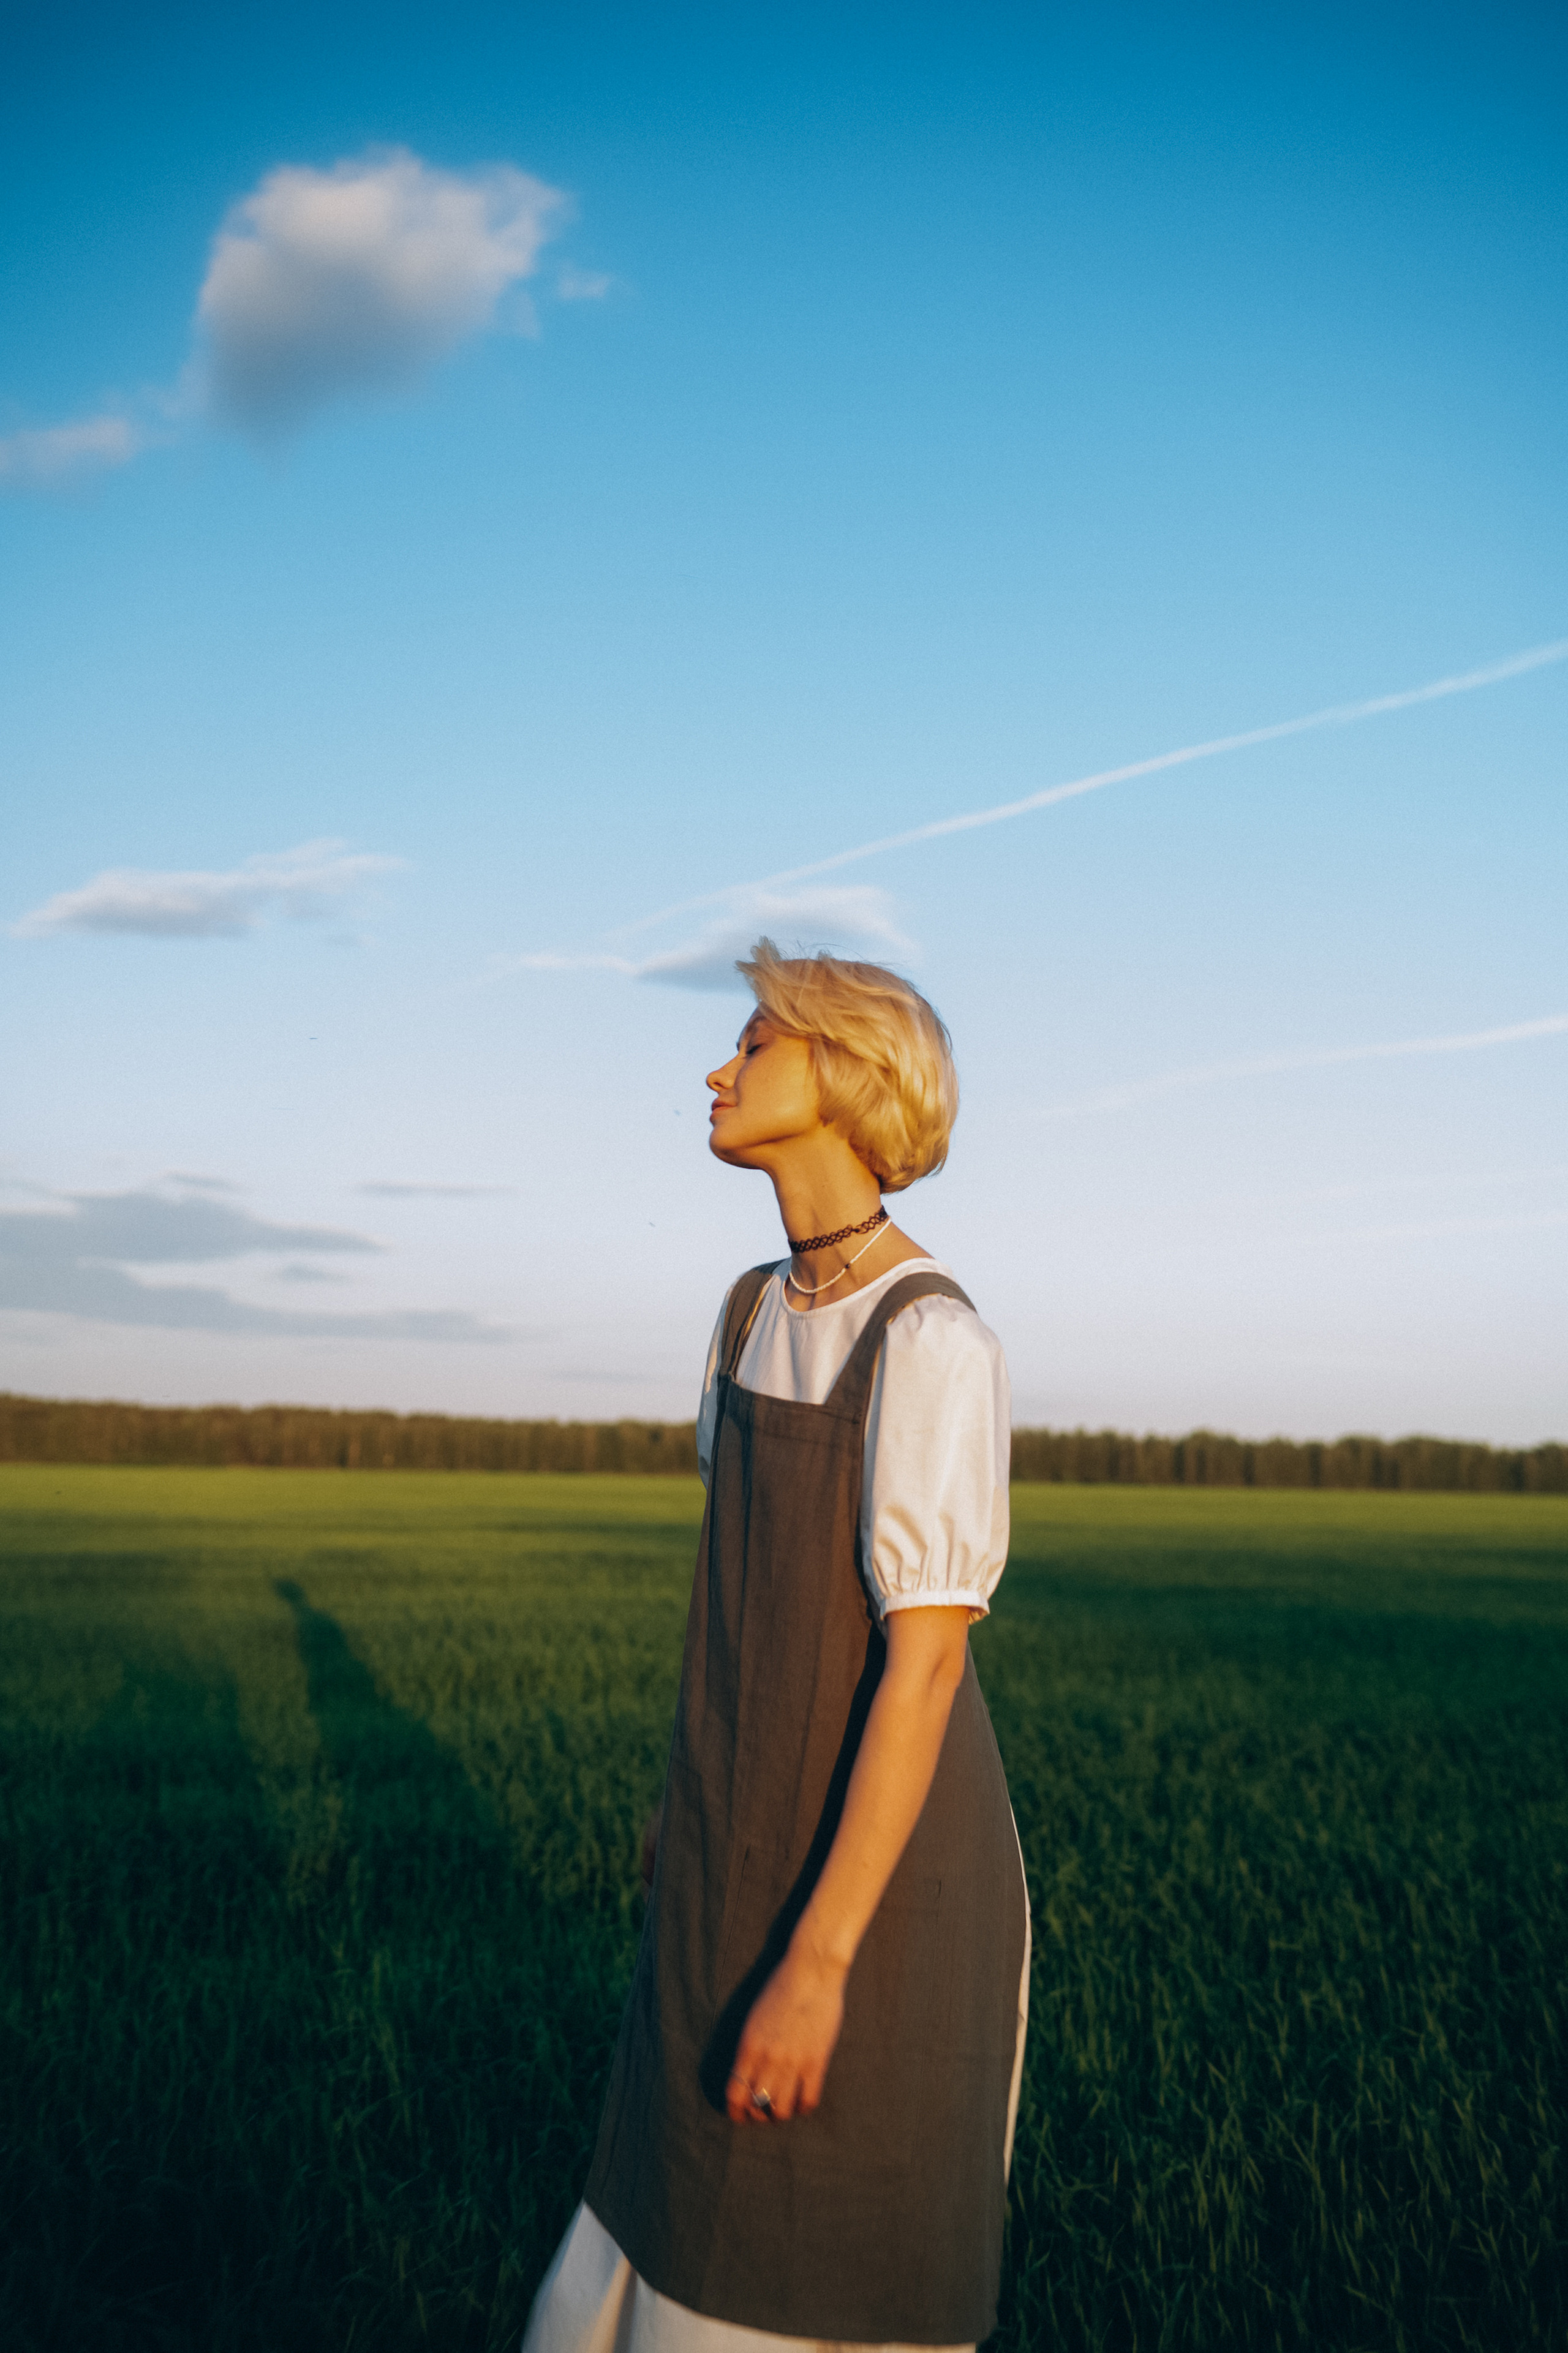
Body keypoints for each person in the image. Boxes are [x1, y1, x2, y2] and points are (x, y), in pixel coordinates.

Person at [524, 940, 1029, 2353]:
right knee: (626, 2252)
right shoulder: (748, 1312)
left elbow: (919, 1671)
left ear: (844, 1075)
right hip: (727, 1850)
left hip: (873, 1889)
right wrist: (685, 1825)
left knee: (805, 2262)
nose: (717, 1067)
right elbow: (752, 1618)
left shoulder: (932, 1341)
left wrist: (817, 1965)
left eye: (751, 1044)